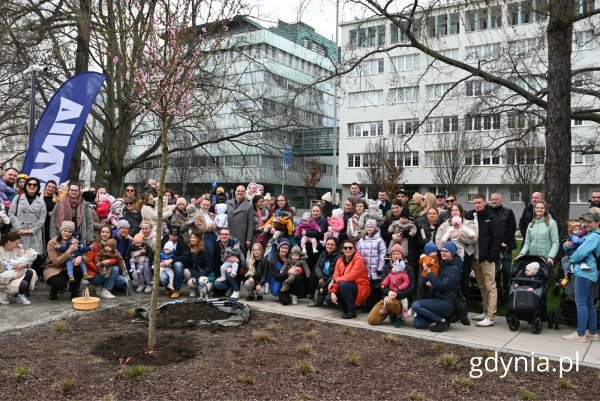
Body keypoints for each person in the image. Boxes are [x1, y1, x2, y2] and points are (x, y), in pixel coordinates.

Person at [562, 212, 600, 342]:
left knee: (581, 303)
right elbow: (573, 245)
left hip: (585, 272)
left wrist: (571, 259)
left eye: (590, 222)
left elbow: (581, 252)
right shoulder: (591, 235)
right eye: (585, 222)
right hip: (590, 272)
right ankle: (593, 332)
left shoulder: (594, 236)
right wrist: (566, 246)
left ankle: (580, 334)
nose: (586, 224)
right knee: (589, 304)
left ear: (597, 223)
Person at [466, 193, 502, 328]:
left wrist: (491, 256)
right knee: (481, 286)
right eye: (474, 203)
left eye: (479, 203)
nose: (477, 205)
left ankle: (490, 316)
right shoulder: (472, 216)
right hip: (475, 258)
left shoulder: (492, 217)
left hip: (487, 258)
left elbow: (497, 238)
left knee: (490, 285)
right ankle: (485, 310)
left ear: (485, 203)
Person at [411, 241, 462, 332]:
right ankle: (440, 317)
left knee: (415, 305)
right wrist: (429, 283)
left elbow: (442, 286)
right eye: (442, 251)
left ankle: (442, 321)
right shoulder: (442, 263)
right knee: (418, 324)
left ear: (452, 253)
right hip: (437, 298)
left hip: (447, 302)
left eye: (446, 251)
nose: (443, 253)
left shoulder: (454, 268)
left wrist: (429, 273)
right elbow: (435, 281)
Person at [435, 202, 477, 298]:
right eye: (452, 210)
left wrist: (459, 235)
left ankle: (463, 303)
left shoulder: (468, 223)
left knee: (463, 281)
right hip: (448, 258)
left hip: (464, 256)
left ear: (461, 211)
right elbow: (438, 240)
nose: (454, 212)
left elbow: (473, 239)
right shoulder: (445, 225)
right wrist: (448, 251)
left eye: (456, 210)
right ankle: (449, 301)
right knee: (448, 279)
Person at [367, 243, 415, 326]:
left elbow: (411, 287)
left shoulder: (408, 269)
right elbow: (383, 284)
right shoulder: (386, 268)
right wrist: (388, 292)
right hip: (387, 298)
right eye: (393, 254)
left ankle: (400, 315)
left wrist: (396, 294)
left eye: (398, 254)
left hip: (402, 299)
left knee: (391, 303)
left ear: (403, 256)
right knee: (372, 320)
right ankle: (391, 312)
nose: (396, 256)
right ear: (391, 256)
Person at [8, 177, 46, 278]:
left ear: (38, 187)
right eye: (29, 184)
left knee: (32, 259)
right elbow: (11, 213)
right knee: (18, 258)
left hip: (34, 235)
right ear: (26, 185)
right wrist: (18, 228)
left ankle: (30, 282)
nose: (32, 186)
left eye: (34, 185)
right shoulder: (18, 198)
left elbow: (42, 219)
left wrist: (31, 230)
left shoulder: (41, 202)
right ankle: (17, 281)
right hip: (19, 233)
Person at [325, 240, 371, 319]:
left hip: (360, 287)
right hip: (345, 286)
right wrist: (333, 291)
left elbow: (351, 276)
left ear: (354, 249)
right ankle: (346, 308)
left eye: (350, 248)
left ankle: (351, 311)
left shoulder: (359, 259)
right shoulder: (339, 261)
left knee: (343, 284)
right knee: (328, 299)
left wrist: (335, 280)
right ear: (342, 249)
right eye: (345, 248)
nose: (348, 249)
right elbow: (336, 276)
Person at [44, 221, 84, 300]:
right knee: (60, 284)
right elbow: (56, 262)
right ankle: (53, 290)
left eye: (70, 232)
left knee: (78, 269)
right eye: (65, 231)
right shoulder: (52, 243)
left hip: (69, 267)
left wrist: (81, 257)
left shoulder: (75, 241)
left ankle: (74, 292)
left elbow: (85, 254)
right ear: (60, 231)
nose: (67, 233)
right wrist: (69, 251)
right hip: (54, 268)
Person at [86, 225, 127, 299]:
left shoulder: (112, 244)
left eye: (107, 232)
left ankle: (103, 287)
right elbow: (88, 261)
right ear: (99, 233)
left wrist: (109, 261)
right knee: (114, 269)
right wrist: (99, 270)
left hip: (107, 271)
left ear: (110, 234)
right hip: (95, 274)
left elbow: (117, 258)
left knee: (122, 281)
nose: (104, 234)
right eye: (103, 232)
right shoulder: (94, 245)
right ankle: (105, 290)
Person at [489, 193, 517, 302]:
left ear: (501, 200)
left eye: (496, 199)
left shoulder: (508, 212)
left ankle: (507, 294)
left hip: (506, 247)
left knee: (506, 271)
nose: (494, 201)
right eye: (492, 199)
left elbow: (512, 227)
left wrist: (504, 241)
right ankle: (496, 294)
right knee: (494, 272)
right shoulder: (488, 212)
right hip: (493, 248)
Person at [0, 232, 38, 305]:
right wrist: (11, 277)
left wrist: (25, 264)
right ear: (9, 242)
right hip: (4, 277)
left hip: (17, 273)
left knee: (30, 272)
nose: (18, 245)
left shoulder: (18, 249)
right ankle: (2, 294)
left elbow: (27, 259)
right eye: (16, 243)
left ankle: (20, 295)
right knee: (23, 284)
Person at [518, 201, 559, 267]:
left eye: (541, 208)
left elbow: (555, 243)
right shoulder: (530, 224)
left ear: (545, 210)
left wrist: (550, 256)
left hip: (545, 259)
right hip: (532, 257)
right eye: (537, 208)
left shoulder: (552, 223)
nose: (539, 209)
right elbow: (527, 243)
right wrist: (521, 254)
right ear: (534, 210)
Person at [357, 219, 386, 311]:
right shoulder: (362, 240)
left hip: (375, 268)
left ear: (375, 228)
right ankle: (368, 304)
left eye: (371, 227)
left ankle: (375, 305)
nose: (369, 229)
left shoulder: (379, 240)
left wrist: (380, 267)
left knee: (376, 287)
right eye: (368, 227)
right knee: (367, 287)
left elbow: (382, 254)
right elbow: (358, 253)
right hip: (364, 268)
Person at [268, 238, 303, 305]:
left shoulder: (292, 257)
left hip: (291, 281)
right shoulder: (273, 260)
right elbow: (277, 276)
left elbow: (301, 264)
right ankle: (285, 294)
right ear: (279, 248)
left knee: (298, 276)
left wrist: (298, 269)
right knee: (285, 301)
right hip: (281, 284)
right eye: (282, 247)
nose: (284, 250)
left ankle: (294, 295)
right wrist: (288, 272)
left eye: (286, 248)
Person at [308, 237, 341, 307]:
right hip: (323, 276)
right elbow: (317, 266)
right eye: (328, 244)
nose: (329, 246)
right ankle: (316, 299)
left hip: (332, 278)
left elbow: (336, 273)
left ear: (336, 246)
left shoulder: (339, 257)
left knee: (325, 286)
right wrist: (320, 277)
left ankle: (319, 300)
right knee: (313, 277)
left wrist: (324, 283)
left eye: (332, 245)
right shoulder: (323, 254)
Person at [158, 225, 190, 298]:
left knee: (178, 265)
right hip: (164, 266)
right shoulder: (163, 241)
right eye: (171, 235)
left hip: (175, 266)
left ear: (178, 236)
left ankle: (176, 290)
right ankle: (168, 287)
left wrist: (171, 260)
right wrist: (159, 262)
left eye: (175, 236)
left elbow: (186, 257)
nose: (172, 237)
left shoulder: (182, 244)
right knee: (162, 279)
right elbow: (156, 254)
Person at [212, 227, 243, 298]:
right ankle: (230, 286)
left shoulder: (236, 244)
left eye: (226, 234)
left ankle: (236, 290)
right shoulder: (216, 246)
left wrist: (238, 261)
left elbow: (243, 259)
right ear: (219, 235)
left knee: (229, 271)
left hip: (235, 272)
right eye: (222, 234)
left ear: (230, 236)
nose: (224, 236)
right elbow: (215, 263)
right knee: (217, 285)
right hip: (223, 272)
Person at [226, 185, 255, 255]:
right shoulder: (228, 203)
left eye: (242, 191)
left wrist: (249, 239)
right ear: (235, 192)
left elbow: (251, 223)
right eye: (238, 191)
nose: (240, 193)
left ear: (245, 193)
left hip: (241, 237)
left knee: (240, 258)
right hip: (228, 235)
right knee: (227, 257)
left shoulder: (249, 206)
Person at [183, 230, 213, 297]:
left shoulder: (204, 250)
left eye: (194, 238)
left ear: (199, 239)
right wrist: (189, 254)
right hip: (194, 271)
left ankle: (202, 289)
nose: (192, 239)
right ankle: (193, 289)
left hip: (203, 272)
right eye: (191, 237)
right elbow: (186, 263)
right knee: (185, 271)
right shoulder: (188, 248)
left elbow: (209, 265)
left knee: (194, 282)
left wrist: (201, 275)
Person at [194, 197, 218, 274]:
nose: (205, 206)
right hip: (205, 236)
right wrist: (214, 225)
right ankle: (210, 272)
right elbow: (203, 229)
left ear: (210, 206)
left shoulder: (210, 214)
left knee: (216, 253)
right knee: (210, 254)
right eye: (204, 204)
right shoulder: (197, 216)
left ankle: (216, 271)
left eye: (207, 205)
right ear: (200, 204)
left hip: (214, 235)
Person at [42, 180, 57, 254]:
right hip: (41, 225)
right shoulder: (39, 197)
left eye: (53, 187)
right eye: (49, 186)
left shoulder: (57, 198)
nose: (51, 188)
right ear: (45, 187)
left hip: (52, 225)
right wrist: (48, 213)